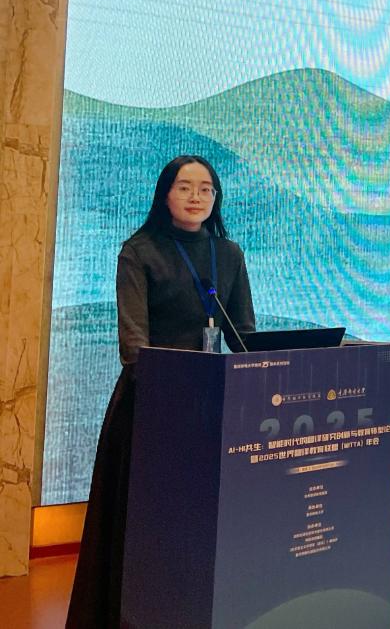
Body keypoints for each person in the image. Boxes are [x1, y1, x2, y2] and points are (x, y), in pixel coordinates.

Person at [66, 155, 256, 628]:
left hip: (212, 409)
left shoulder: (229, 254)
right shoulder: (139, 251)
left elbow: (244, 336)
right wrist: (172, 382)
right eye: (185, 187)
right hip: (152, 406)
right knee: (145, 527)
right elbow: (134, 345)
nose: (196, 197)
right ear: (165, 194)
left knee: (202, 527)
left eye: (206, 189)